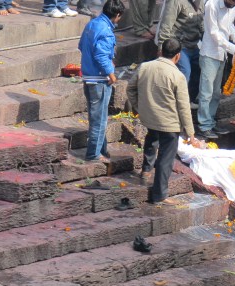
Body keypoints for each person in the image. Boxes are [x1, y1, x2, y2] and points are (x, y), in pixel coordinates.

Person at [129, 38, 204, 204]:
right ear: (178, 56)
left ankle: (146, 170)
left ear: (161, 51)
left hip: (149, 117)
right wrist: (191, 133)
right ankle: (159, 194)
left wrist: (139, 107)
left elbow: (130, 89)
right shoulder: (177, 76)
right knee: (165, 158)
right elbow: (184, 107)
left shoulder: (145, 67)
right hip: (169, 124)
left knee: (152, 138)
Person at [79, 0, 124, 162]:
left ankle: (102, 149)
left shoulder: (92, 24)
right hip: (99, 80)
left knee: (97, 117)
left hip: (88, 76)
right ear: (117, 15)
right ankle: (93, 155)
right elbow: (101, 56)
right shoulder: (105, 31)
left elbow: (81, 46)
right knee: (99, 120)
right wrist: (111, 73)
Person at [198, 0, 235, 139]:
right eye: (232, 2)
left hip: (222, 54)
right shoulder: (211, 5)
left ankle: (210, 121)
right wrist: (232, 48)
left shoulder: (232, 6)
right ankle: (204, 125)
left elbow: (229, 25)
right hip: (210, 53)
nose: (232, 6)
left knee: (215, 93)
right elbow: (213, 33)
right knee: (206, 93)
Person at [156, 0, 204, 97]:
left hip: (194, 44)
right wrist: (162, 48)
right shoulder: (176, 2)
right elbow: (166, 25)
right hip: (178, 45)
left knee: (201, 69)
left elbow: (201, 25)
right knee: (185, 72)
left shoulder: (201, 2)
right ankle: (176, 100)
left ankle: (190, 99)